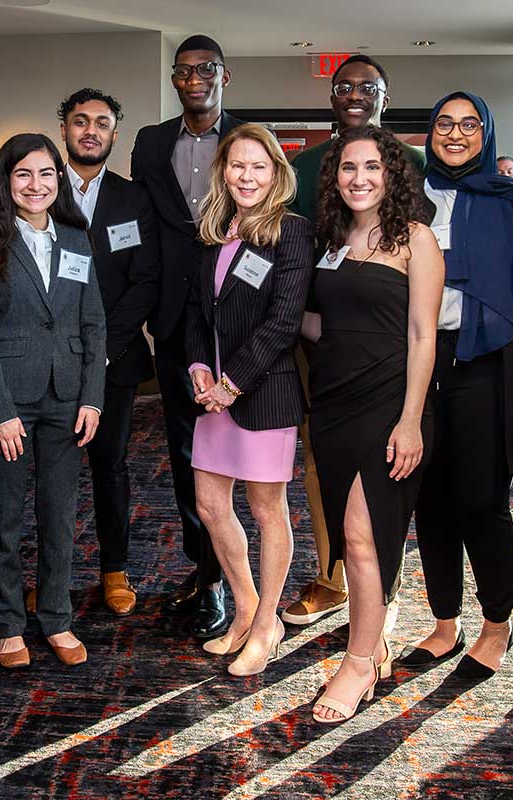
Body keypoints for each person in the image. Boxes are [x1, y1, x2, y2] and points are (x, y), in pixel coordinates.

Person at [282, 53, 427, 629]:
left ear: (386, 97)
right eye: (343, 85)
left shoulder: (414, 162)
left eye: (368, 86)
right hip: (324, 333)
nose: (354, 93)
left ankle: (377, 592)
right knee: (323, 464)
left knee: (386, 478)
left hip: (389, 343)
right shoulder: (309, 163)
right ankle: (331, 574)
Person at [305, 125, 443, 722]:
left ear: (392, 174)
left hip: (390, 405)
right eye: (347, 168)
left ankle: (359, 662)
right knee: (348, 535)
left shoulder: (416, 239)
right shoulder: (329, 239)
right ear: (334, 178)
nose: (359, 178)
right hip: (332, 405)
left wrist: (411, 420)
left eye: (372, 167)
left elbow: (422, 335)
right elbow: (320, 326)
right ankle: (374, 640)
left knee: (363, 536)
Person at [396, 93, 513, 682]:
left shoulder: (512, 204)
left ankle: (497, 622)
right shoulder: (406, 200)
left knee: (481, 498)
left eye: (469, 125)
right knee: (430, 498)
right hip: (421, 361)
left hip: (484, 361)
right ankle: (445, 622)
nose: (455, 135)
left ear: (487, 133)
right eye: (443, 124)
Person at [0, 133, 106, 670]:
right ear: (6, 181)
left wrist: (93, 397)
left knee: (60, 516)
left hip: (67, 397)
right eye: (23, 174)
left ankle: (57, 618)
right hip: (9, 404)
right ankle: (7, 624)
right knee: (3, 516)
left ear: (59, 180)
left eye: (46, 174)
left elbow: (94, 322)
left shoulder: (76, 239)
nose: (36, 185)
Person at [186, 124, 312, 674]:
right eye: (238, 166)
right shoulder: (213, 231)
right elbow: (196, 312)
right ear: (223, 172)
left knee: (266, 511)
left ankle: (267, 625)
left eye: (259, 166)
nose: (247, 176)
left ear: (277, 173)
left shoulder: (292, 232)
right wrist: (197, 367)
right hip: (210, 394)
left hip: (261, 392)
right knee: (211, 506)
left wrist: (230, 383)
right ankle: (243, 609)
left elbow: (283, 322)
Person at [130, 34, 241, 640]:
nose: (194, 78)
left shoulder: (248, 139)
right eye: (183, 71)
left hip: (238, 317)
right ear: (174, 80)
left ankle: (237, 575)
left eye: (205, 69)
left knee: (242, 457)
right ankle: (206, 574)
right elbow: (143, 226)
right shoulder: (150, 142)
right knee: (183, 452)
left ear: (226, 75)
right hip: (174, 319)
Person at [57, 87, 160, 616]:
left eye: (101, 122)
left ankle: (114, 569)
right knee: (52, 472)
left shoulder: (132, 197)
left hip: (113, 361)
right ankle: (54, 578)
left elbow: (144, 282)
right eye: (80, 121)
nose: (90, 130)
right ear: (65, 130)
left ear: (115, 133)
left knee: (110, 465)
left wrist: (100, 349)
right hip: (50, 362)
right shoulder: (40, 191)